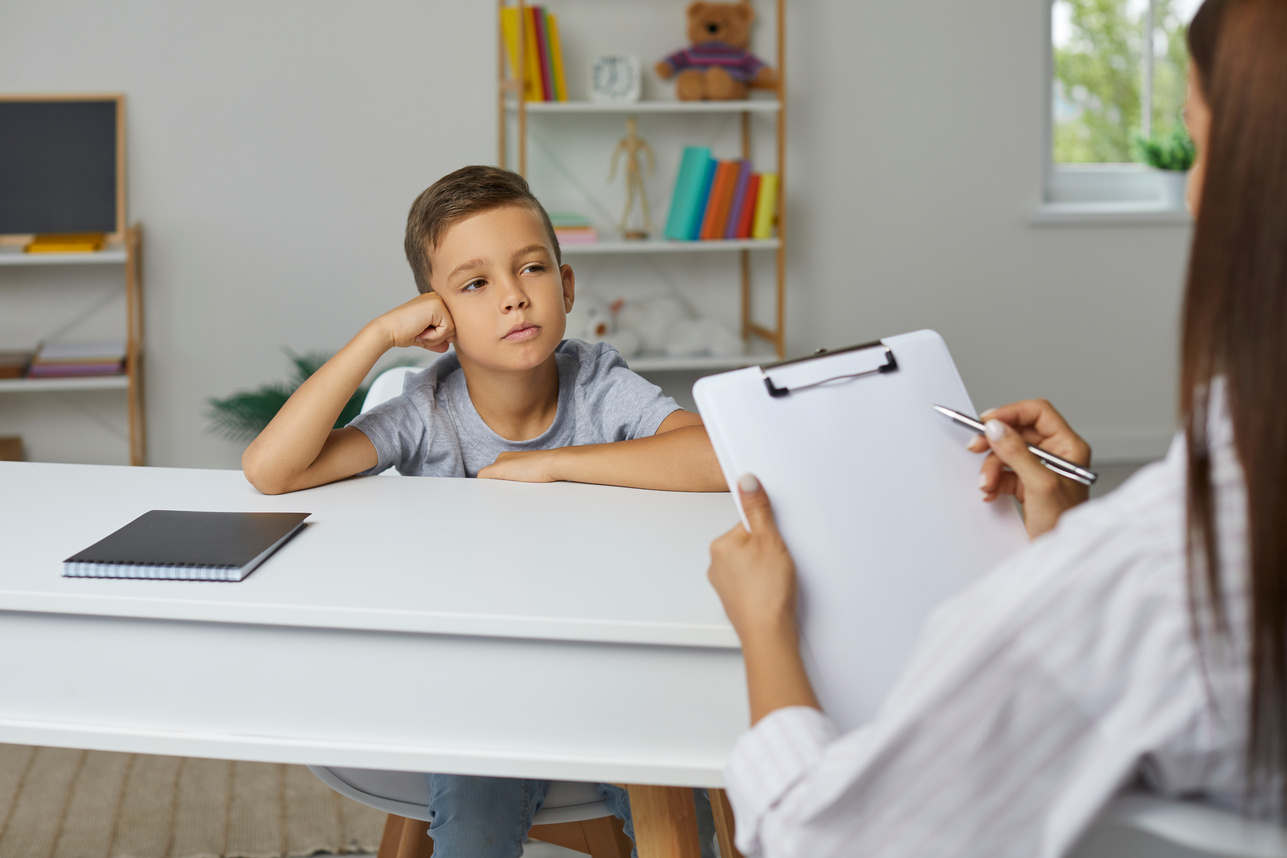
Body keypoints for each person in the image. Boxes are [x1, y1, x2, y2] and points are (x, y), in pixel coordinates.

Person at [705, 0, 1287, 854]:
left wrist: (763, 624)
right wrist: (1061, 537)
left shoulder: (1166, 571)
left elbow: (825, 838)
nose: (1194, 186)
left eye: (1196, 144)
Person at [242, 164, 726, 857]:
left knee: (684, 828)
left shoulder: (596, 385)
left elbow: (715, 457)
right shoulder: (427, 411)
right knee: (471, 835)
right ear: (436, 318)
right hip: (479, 686)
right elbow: (271, 469)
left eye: (529, 270)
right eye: (475, 283)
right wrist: (378, 336)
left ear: (563, 287)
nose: (512, 299)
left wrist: (552, 465)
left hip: (609, 674)